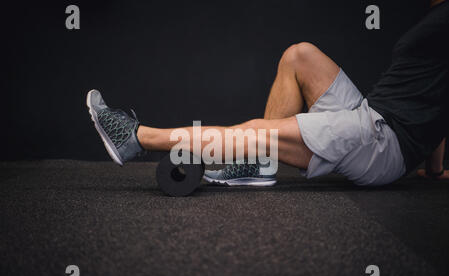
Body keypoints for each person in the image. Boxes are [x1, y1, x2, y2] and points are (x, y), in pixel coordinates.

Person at [86, 0, 449, 187]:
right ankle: (260, 164)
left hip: (381, 142)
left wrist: (418, 155)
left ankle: (136, 138)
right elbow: (435, 89)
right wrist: (434, 171)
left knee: (255, 131)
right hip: (370, 112)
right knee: (299, 55)